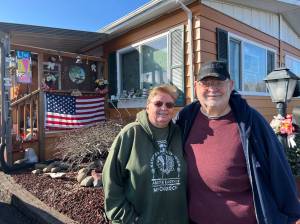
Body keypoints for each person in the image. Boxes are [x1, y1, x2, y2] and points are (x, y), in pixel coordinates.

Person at [175, 60, 300, 224]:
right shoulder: (186, 118)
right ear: (196, 86)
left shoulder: (250, 121)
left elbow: (278, 167)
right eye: (206, 83)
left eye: (219, 82)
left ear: (230, 85)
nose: (212, 88)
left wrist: (292, 215)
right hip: (195, 220)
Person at [102, 84, 189, 224]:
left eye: (169, 105)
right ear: (147, 106)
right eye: (158, 103)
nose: (164, 108)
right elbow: (111, 182)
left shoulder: (180, 135)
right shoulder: (131, 134)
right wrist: (129, 219)